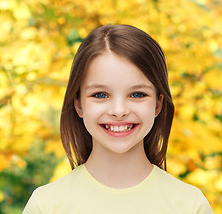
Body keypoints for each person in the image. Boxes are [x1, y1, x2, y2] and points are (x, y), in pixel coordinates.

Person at [23, 24, 213, 213]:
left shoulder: (190, 205)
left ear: (158, 104)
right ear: (78, 104)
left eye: (137, 94)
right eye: (100, 95)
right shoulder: (46, 205)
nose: (119, 111)